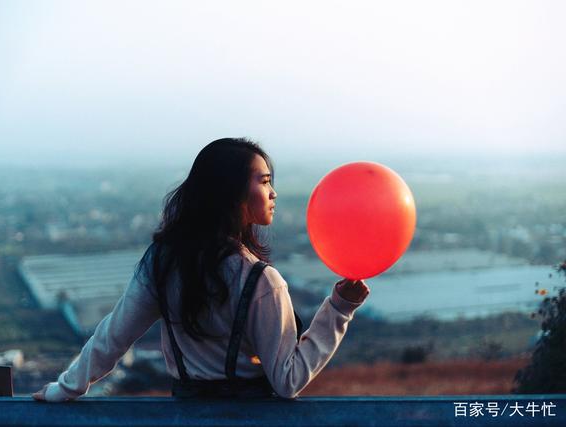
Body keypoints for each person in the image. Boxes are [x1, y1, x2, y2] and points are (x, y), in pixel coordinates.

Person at [32, 137, 369, 401]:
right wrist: (339, 309)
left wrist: (65, 389)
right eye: (264, 182)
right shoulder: (262, 281)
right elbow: (288, 381)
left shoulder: (161, 262)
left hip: (183, 416)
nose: (273, 193)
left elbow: (113, 337)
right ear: (232, 191)